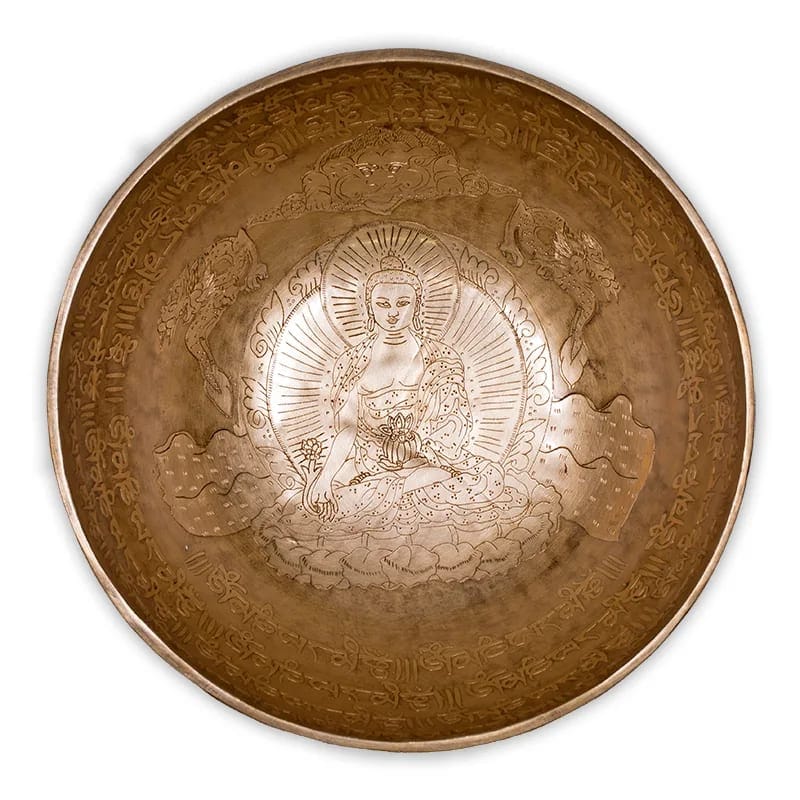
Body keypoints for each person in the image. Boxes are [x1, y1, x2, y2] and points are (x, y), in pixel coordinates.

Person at [299, 254, 527, 550]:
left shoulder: (441, 358)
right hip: (371, 464)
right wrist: (326, 476)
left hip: (428, 463)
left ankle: (387, 492)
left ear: (417, 306)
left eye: (402, 303)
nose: (393, 313)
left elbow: (451, 428)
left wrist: (413, 454)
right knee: (326, 497)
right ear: (369, 307)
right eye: (383, 304)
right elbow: (348, 429)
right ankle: (393, 490)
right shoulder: (353, 362)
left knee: (490, 478)